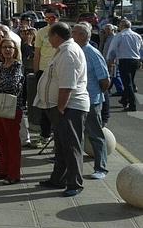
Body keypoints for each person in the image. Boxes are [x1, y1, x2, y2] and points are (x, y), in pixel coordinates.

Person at [35, 23, 90, 197]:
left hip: (70, 107)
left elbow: (67, 86)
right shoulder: (63, 50)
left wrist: (60, 109)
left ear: (56, 36)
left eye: (49, 37)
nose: (48, 40)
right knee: (61, 146)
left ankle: (74, 183)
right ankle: (58, 179)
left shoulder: (68, 53)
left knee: (71, 146)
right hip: (64, 108)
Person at [72, 22, 110, 180]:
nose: (71, 35)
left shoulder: (92, 52)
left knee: (95, 135)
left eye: (74, 32)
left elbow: (105, 80)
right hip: (77, 100)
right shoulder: (75, 50)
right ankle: (75, 166)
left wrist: (96, 95)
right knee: (77, 135)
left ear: (82, 35)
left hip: (92, 100)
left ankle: (101, 168)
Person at [0, 38, 25, 185]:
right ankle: (3, 170)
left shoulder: (18, 66)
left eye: (10, 47)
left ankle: (14, 174)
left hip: (13, 108)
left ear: (15, 50)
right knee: (1, 141)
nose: (7, 50)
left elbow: (13, 86)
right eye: (4, 47)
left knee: (12, 142)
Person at [33, 9, 59, 146]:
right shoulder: (41, 32)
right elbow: (37, 53)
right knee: (44, 104)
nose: (49, 20)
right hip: (43, 71)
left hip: (59, 71)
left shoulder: (64, 31)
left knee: (58, 103)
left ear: (57, 18)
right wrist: (36, 71)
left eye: (52, 17)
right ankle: (45, 134)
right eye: (47, 18)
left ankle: (58, 133)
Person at [107, 19, 143, 111]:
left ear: (122, 26)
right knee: (130, 81)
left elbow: (112, 50)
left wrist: (110, 60)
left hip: (124, 60)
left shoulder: (120, 36)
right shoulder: (137, 36)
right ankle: (124, 99)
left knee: (127, 83)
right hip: (135, 60)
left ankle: (132, 105)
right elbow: (140, 48)